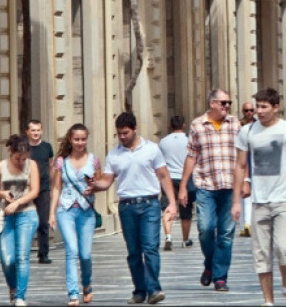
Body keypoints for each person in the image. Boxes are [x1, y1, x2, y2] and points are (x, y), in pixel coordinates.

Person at [89, 111, 178, 306]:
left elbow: (163, 176)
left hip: (149, 204)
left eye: (125, 133)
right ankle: (139, 290)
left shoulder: (152, 149)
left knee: (150, 247)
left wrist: (172, 202)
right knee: (134, 251)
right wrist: (94, 186)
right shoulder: (114, 154)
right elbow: (107, 181)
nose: (122, 137)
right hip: (127, 206)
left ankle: (154, 289)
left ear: (135, 129)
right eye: (119, 134)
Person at [232, 89, 286, 307]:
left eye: (264, 107)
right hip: (259, 200)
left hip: (285, 198)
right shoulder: (247, 131)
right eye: (257, 106)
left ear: (276, 107)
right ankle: (268, 301)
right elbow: (239, 166)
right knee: (261, 253)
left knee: (285, 247)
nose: (259, 111)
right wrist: (236, 201)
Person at [180, 88, 241, 292]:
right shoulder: (197, 125)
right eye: (223, 103)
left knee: (225, 233)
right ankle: (210, 264)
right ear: (212, 103)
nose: (227, 107)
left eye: (229, 103)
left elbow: (243, 155)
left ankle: (220, 276)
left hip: (230, 186)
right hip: (206, 185)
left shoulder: (235, 124)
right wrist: (183, 186)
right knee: (206, 229)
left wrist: (246, 180)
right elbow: (191, 156)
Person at [50, 123, 99, 307]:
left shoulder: (94, 160)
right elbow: (56, 188)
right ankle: (73, 293)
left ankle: (86, 284)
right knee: (72, 250)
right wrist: (51, 214)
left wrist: (93, 185)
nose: (80, 142)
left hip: (86, 211)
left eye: (83, 139)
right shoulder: (61, 161)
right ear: (70, 139)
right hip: (66, 209)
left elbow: (100, 184)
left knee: (85, 254)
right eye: (76, 139)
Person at [0, 135, 40, 307]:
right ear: (11, 152)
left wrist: (17, 202)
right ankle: (13, 287)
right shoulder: (0, 167)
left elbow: (35, 191)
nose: (21, 161)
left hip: (27, 213)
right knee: (7, 258)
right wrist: (3, 193)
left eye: (24, 158)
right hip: (6, 216)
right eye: (17, 157)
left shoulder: (31, 165)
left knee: (22, 257)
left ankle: (20, 296)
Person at [158, 115, 194, 250]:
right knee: (186, 209)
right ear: (183, 125)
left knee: (167, 207)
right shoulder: (189, 140)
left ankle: (168, 236)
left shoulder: (163, 142)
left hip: (168, 178)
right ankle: (185, 240)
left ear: (170, 126)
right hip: (185, 178)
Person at [24, 120, 54, 265]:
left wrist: (53, 186)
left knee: (43, 222)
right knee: (26, 221)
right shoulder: (24, 148)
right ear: (27, 132)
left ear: (41, 131)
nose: (36, 133)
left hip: (43, 189)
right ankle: (24, 253)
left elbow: (51, 166)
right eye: (33, 130)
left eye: (38, 130)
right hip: (27, 189)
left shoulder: (47, 147)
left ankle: (43, 254)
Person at [240, 101, 257, 238]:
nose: (249, 113)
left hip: (255, 162)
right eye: (246, 110)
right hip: (242, 162)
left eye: (251, 110)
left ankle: (249, 223)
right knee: (243, 195)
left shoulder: (259, 125)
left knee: (251, 194)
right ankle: (245, 224)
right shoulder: (238, 126)